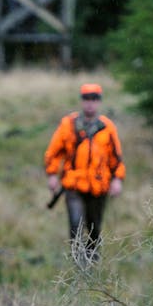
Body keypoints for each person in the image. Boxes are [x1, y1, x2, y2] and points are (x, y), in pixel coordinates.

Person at [43, 83, 124, 263]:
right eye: (87, 99)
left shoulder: (107, 127)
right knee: (76, 225)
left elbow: (116, 158)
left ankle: (93, 264)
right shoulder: (68, 125)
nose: (90, 104)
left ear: (99, 102)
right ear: (82, 101)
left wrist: (117, 179)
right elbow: (53, 152)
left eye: (94, 99)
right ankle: (78, 265)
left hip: (99, 187)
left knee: (94, 228)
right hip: (74, 185)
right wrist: (52, 175)